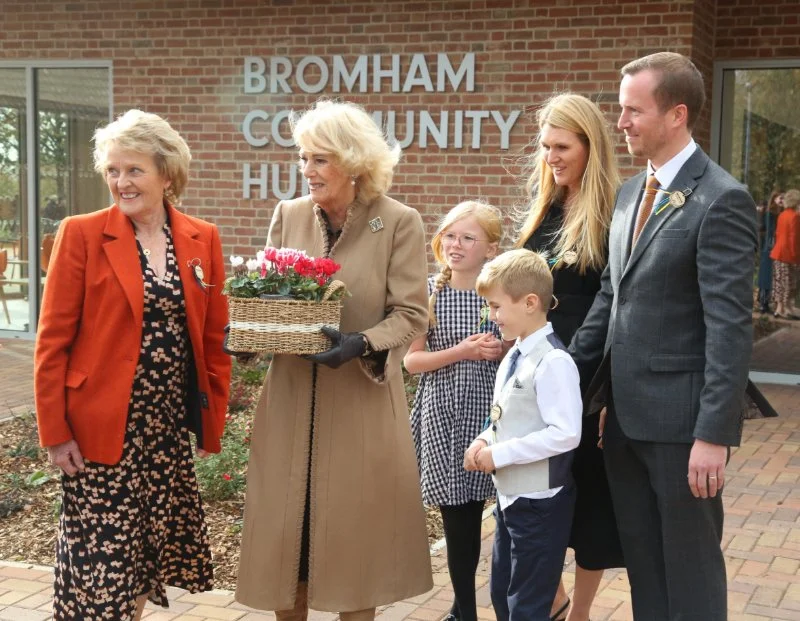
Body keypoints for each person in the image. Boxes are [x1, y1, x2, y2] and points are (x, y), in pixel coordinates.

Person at [570, 52, 757, 620]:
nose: (620, 122)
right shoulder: (629, 193)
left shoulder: (722, 198)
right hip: (623, 424)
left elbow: (729, 328)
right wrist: (559, 375)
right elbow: (611, 299)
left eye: (634, 110)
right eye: (620, 108)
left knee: (690, 571)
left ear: (677, 114)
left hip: (683, 430)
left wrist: (713, 435)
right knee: (646, 567)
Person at [235, 99, 433, 620]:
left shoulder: (399, 222)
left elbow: (412, 313)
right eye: (303, 158)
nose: (307, 170)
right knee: (287, 557)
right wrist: (249, 334)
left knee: (355, 559)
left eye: (320, 159)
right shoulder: (289, 215)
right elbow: (269, 296)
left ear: (353, 162)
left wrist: (360, 343)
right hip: (289, 408)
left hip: (360, 411)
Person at [34, 109, 232, 620]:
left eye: (134, 170)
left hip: (164, 431)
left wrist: (210, 417)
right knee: (103, 564)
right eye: (113, 170)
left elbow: (213, 338)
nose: (121, 182)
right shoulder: (81, 234)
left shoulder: (201, 237)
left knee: (145, 557)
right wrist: (55, 432)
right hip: (99, 432)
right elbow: (52, 342)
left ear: (167, 174)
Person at [515, 92, 623, 621]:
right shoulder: (545, 210)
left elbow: (613, 307)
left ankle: (578, 613)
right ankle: (554, 605)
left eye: (561, 147)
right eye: (545, 146)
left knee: (589, 504)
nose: (550, 157)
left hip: (582, 379)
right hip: (533, 375)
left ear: (590, 146)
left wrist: (589, 383)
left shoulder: (614, 214)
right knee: (530, 495)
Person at [464, 248, 583, 621]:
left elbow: (566, 434)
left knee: (527, 604)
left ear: (530, 303)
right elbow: (506, 417)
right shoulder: (515, 354)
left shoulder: (553, 361)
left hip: (539, 504)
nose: (491, 315)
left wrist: (500, 454)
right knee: (502, 593)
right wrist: (485, 439)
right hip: (511, 499)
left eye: (496, 306)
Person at [405, 200, 505, 621]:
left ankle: (464, 610)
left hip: (490, 413)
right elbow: (412, 361)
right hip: (443, 413)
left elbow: (522, 349)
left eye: (468, 238)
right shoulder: (428, 292)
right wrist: (462, 351)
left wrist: (503, 351)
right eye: (450, 235)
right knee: (457, 518)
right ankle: (465, 611)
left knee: (491, 510)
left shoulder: (499, 293)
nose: (456, 245)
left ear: (490, 249)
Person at [769, 188, 800, 319]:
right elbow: (794, 238)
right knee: (789, 282)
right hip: (789, 255)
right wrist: (796, 256)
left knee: (779, 282)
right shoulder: (795, 216)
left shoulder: (782, 215)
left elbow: (777, 233)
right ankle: (786, 308)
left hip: (778, 253)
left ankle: (779, 308)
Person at [756, 190, 782, 313]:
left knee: (770, 276)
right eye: (780, 198)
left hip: (772, 248)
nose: (781, 201)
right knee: (766, 275)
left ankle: (765, 302)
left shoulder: (777, 213)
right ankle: (763, 302)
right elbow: (770, 232)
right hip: (769, 248)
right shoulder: (770, 213)